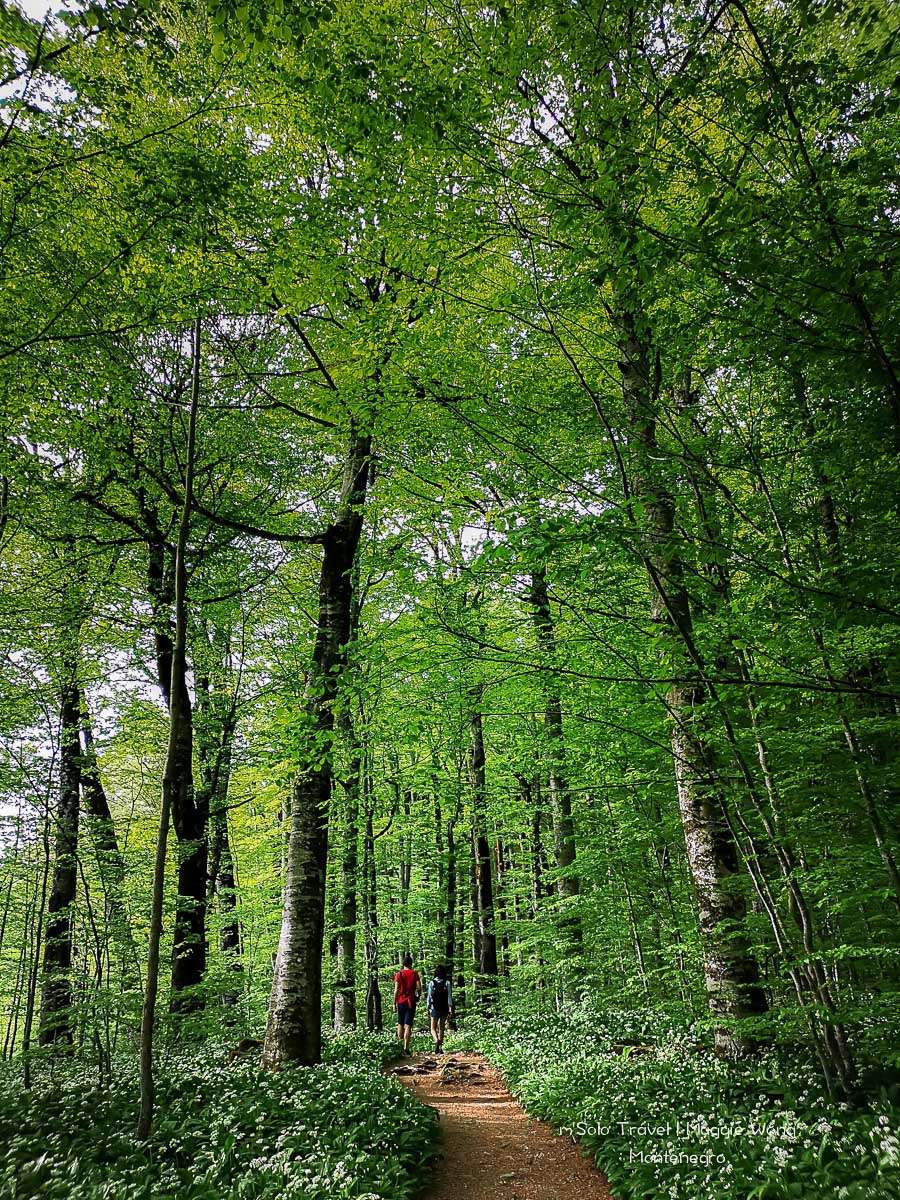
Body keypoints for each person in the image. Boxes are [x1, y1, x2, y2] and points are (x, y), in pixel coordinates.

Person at [393, 954, 421, 1056]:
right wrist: (418, 996)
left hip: (401, 1001)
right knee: (408, 1024)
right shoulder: (414, 974)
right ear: (411, 963)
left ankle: (399, 1046)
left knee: (400, 1023)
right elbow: (419, 988)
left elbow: (396, 991)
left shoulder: (398, 975)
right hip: (411, 1002)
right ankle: (406, 1047)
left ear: (403, 964)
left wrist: (394, 1003)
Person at [426, 964, 453, 1054]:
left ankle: (436, 1040)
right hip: (444, 1008)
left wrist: (428, 1008)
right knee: (441, 1028)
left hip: (435, 1008)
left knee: (432, 1028)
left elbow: (429, 997)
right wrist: (450, 1009)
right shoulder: (447, 983)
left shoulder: (432, 983)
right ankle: (440, 1047)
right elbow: (449, 997)